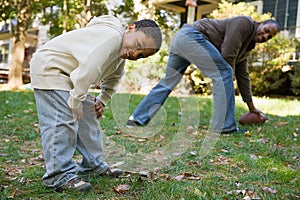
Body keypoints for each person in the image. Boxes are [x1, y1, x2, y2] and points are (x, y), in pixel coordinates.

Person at [30, 15, 162, 192]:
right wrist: (76, 100)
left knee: (89, 116)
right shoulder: (111, 37)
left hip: (70, 77)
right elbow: (89, 67)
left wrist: (102, 100)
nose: (135, 54)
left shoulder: (119, 55)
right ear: (130, 29)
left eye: (141, 56)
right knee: (62, 120)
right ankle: (58, 175)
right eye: (138, 46)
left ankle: (93, 165)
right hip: (51, 69)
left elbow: (114, 79)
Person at [126, 16, 279, 134]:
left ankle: (137, 118)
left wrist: (252, 108)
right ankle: (226, 127)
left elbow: (243, 77)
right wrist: (227, 78)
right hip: (192, 36)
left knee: (168, 81)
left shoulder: (246, 47)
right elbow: (227, 54)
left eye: (269, 37)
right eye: (266, 30)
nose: (265, 36)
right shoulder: (244, 23)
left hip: (181, 39)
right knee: (224, 72)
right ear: (260, 23)